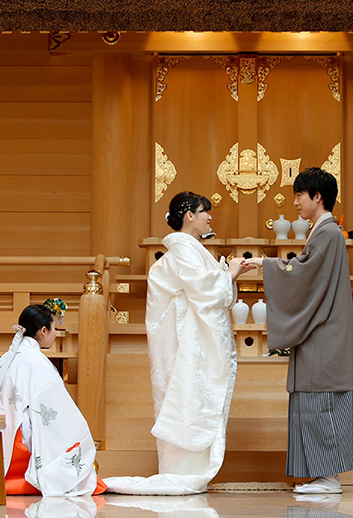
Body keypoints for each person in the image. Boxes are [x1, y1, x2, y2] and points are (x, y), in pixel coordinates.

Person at [104, 191, 254, 495]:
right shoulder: (184, 251)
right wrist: (229, 273)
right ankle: (181, 473)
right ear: (189, 216)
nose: (209, 217)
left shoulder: (191, 250)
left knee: (190, 400)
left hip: (189, 343)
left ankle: (188, 471)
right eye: (204, 211)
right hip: (184, 345)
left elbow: (208, 288)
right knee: (185, 399)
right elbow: (205, 290)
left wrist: (228, 275)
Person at [244, 168, 353, 495]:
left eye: (299, 195)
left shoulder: (328, 234)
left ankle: (328, 477)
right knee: (313, 402)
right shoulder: (324, 232)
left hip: (323, 334)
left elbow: (303, 275)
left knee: (320, 403)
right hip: (321, 331)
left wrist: (266, 264)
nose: (295, 202)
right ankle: (321, 475)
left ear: (317, 196)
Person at [0, 303, 105, 497]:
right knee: (70, 428)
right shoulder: (38, 361)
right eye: (54, 328)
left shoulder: (6, 358)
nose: (55, 334)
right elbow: (58, 407)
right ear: (43, 331)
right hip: (19, 436)